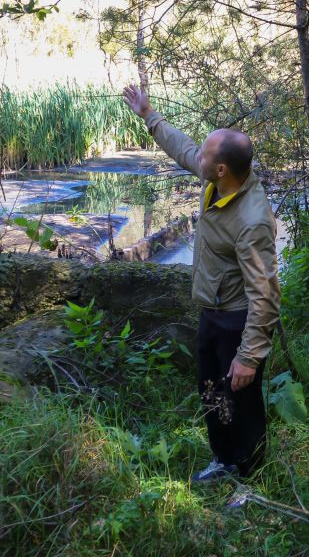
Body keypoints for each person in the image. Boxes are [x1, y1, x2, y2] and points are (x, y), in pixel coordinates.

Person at [123, 76, 280, 482]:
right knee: (212, 392)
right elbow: (184, 149)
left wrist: (249, 354)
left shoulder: (252, 221)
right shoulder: (217, 181)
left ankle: (249, 477)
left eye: (206, 156)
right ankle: (222, 458)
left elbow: (265, 292)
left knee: (242, 403)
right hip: (212, 312)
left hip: (237, 320)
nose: (199, 158)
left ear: (222, 169)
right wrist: (149, 115)